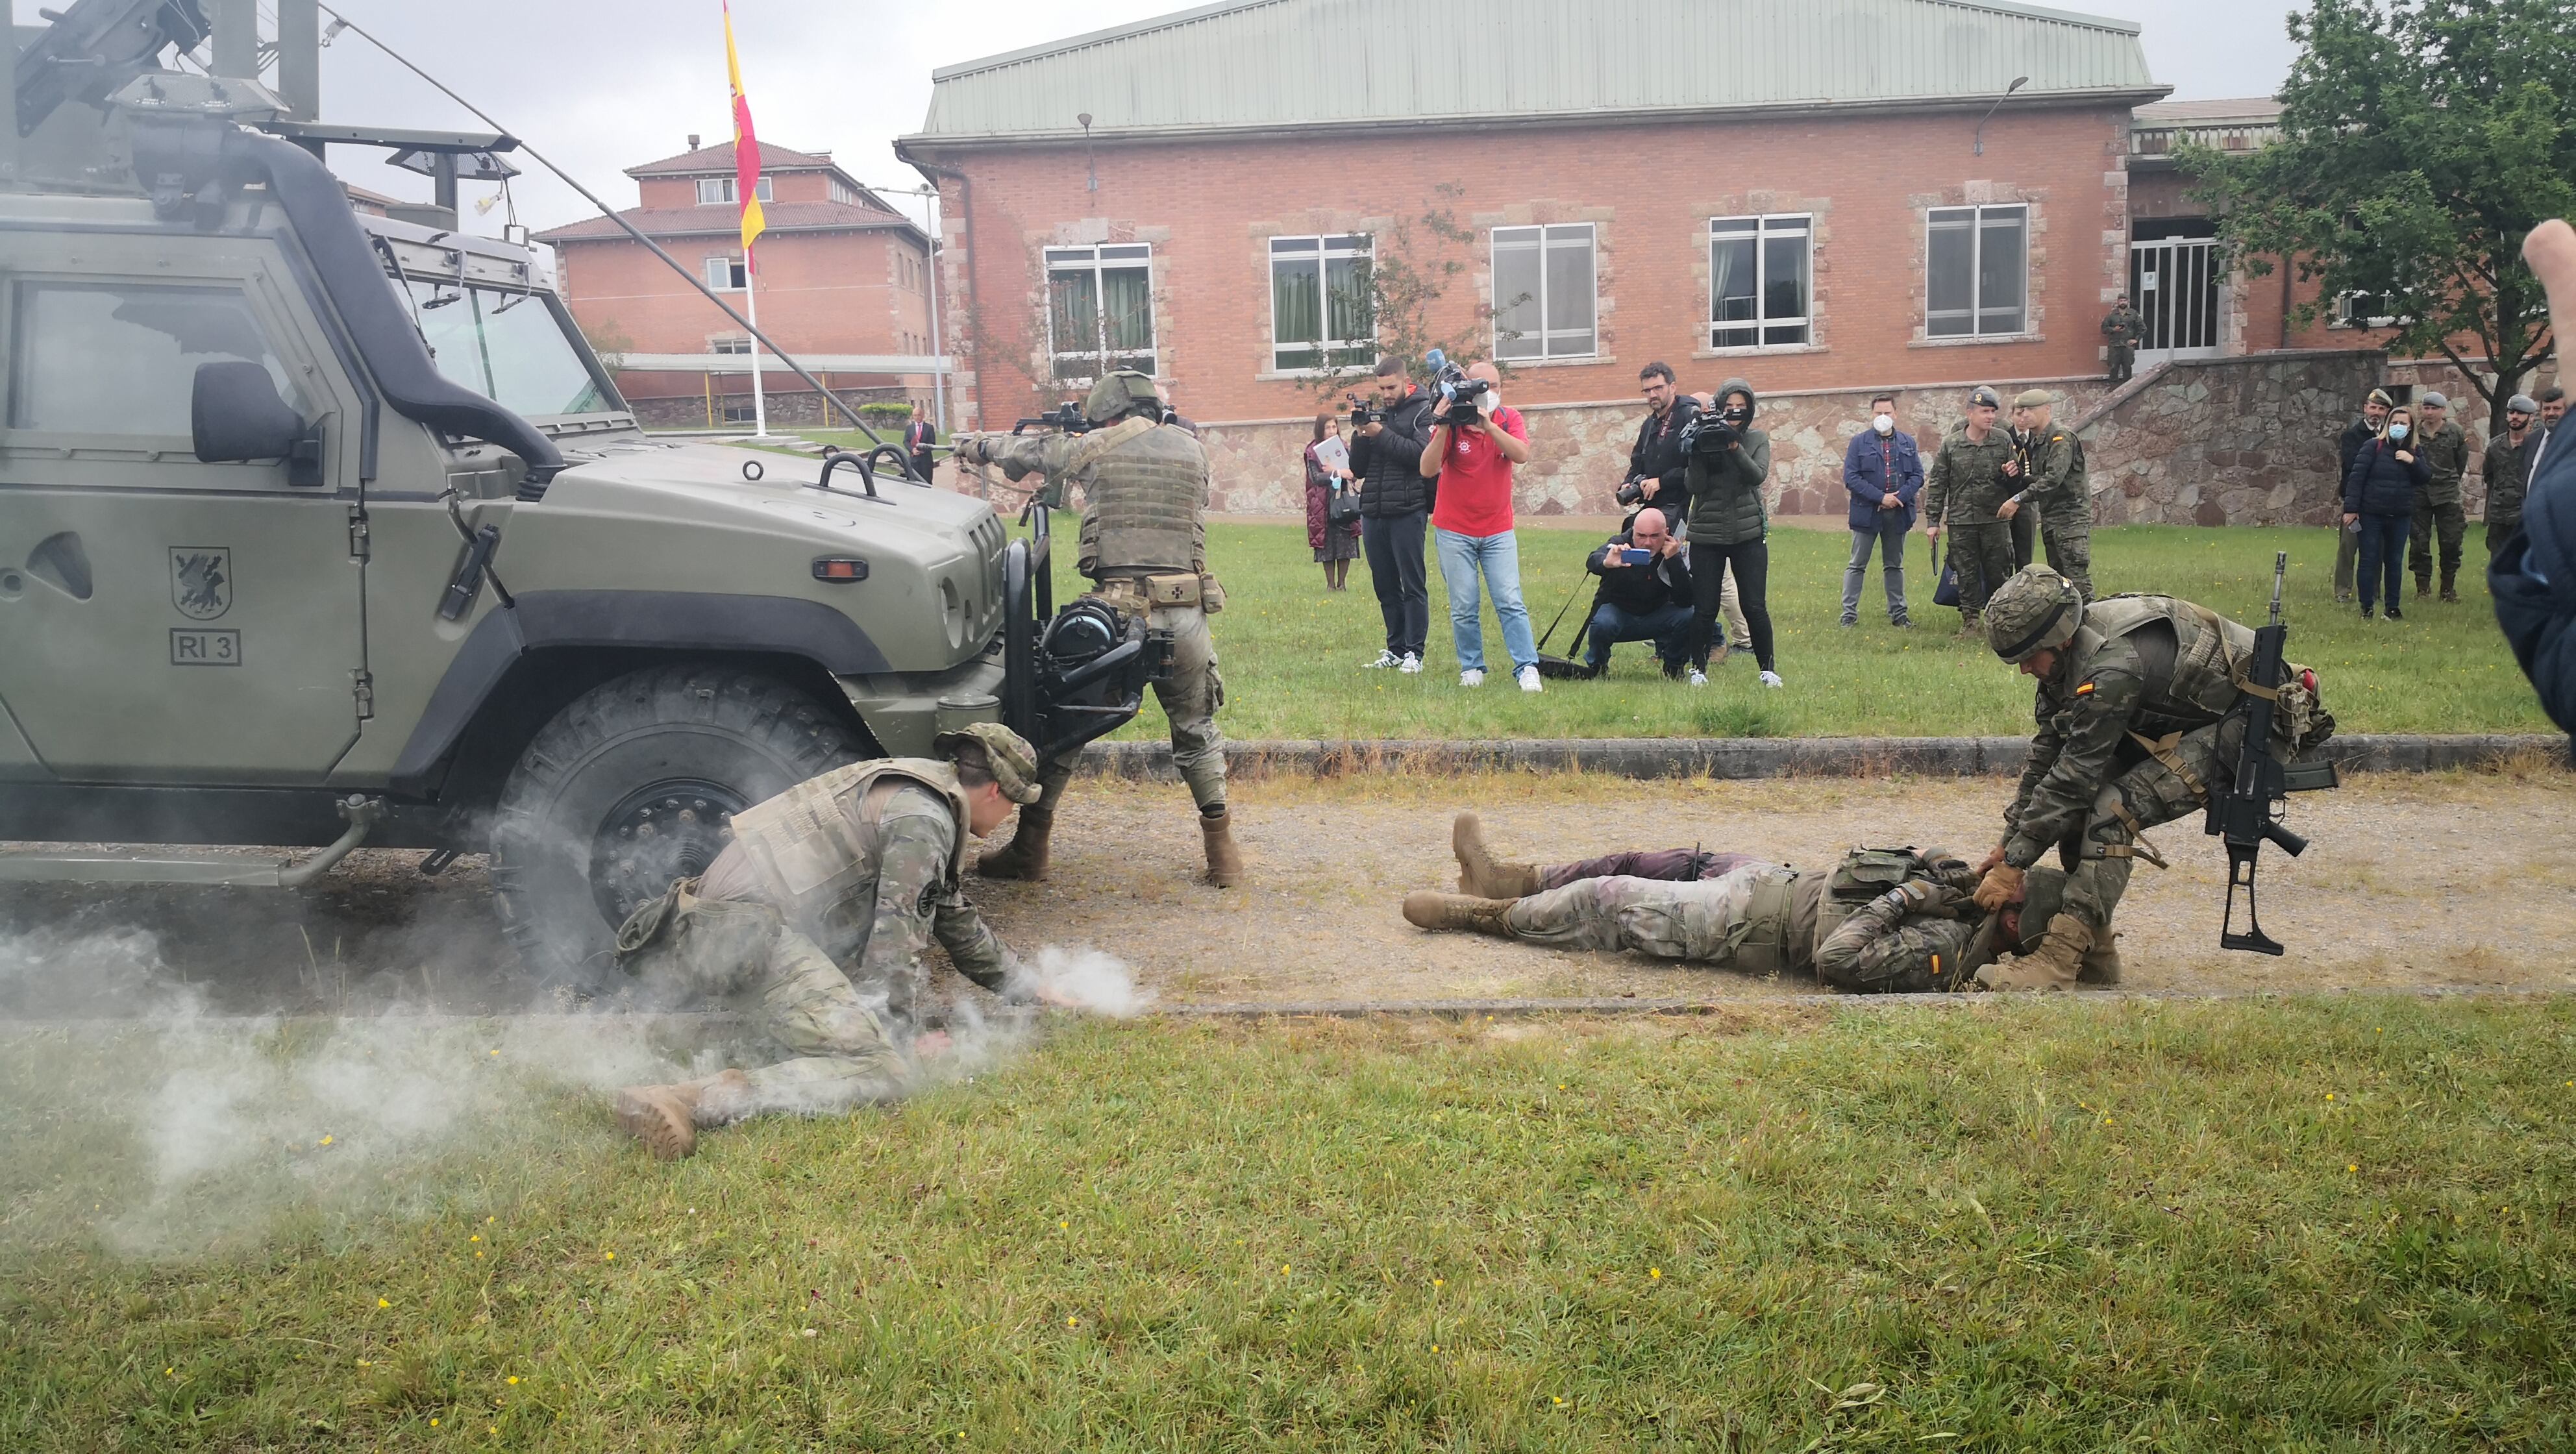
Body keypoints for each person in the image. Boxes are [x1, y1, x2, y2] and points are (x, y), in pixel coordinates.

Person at [608, 724, 1052, 1159]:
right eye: (1015, 804)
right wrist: (896, 1039)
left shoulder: (915, 789)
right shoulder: (924, 819)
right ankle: (685, 1100)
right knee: (883, 1071)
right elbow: (896, 946)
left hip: (715, 927)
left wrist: (1031, 986)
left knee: (849, 1039)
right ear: (996, 792)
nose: (1011, 816)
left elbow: (948, 913)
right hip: (739, 936)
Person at [1968, 567, 2328, 991]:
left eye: (2029, 656)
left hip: (2255, 726)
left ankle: (2058, 963)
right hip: (2201, 719)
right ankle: (2095, 960)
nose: (2026, 669)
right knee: (2081, 809)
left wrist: (2014, 865)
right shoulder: (2067, 661)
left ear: (2061, 637)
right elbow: (2050, 752)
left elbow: (2074, 776)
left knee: (2112, 811)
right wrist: (2007, 843)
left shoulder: (2112, 668)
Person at [951, 370, 1244, 887]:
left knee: (1067, 726)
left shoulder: (1097, 446)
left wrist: (976, 447)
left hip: (1119, 618)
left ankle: (1030, 851)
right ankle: (1225, 859)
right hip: (1187, 611)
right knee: (1198, 732)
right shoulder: (1192, 449)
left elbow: (1030, 454)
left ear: (1108, 412)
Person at [1407, 813, 2064, 994]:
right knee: (1643, 861)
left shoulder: (1946, 951)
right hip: (1765, 880)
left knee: (1606, 900)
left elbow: (1837, 958)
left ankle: (1476, 916)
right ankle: (1507, 878)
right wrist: (1950, 870)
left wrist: (1908, 893)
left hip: (1744, 923)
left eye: (2017, 892)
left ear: (2013, 922)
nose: (2011, 881)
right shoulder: (1967, 905)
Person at [2492, 219, 2576, 745]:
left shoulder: (2547, 443)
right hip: (2510, 517)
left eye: (2549, 407)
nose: (2541, 414)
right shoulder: (2504, 446)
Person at [1420, 360, 1540, 691]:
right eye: (1480, 387)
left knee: (1510, 599)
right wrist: (1443, 424)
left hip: (1498, 529)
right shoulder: (1453, 422)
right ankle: (1472, 666)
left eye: (1495, 386)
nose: (1489, 393)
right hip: (1455, 529)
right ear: (1465, 389)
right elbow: (1427, 469)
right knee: (1463, 604)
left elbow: (1522, 455)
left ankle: (1527, 666)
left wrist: (1489, 426)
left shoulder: (1508, 418)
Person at [1679, 377, 1782, 687]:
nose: (1735, 412)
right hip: (1706, 535)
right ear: (1719, 408)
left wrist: (1734, 447)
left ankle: (1768, 670)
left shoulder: (1757, 439)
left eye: (1741, 407)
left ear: (1750, 409)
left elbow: (1756, 476)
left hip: (1747, 532)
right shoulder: (1700, 436)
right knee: (1705, 607)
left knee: (1754, 606)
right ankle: (1698, 670)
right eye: (1729, 407)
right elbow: (1693, 487)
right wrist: (1697, 451)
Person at [1350, 356, 1438, 673]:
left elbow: (1420, 457)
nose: (1386, 394)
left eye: (1391, 387)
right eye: (1382, 388)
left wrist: (1380, 434)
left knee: (1412, 584)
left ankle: (1415, 652)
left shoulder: (1424, 410)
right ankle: (1395, 649)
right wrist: (1361, 435)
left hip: (1408, 509)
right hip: (1373, 509)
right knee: (1385, 585)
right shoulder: (1377, 413)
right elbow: (1358, 469)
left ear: (1405, 381)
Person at [1920, 385, 2020, 634]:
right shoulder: (1952, 445)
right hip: (1961, 521)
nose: (1990, 417)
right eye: (1985, 411)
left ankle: (2000, 621)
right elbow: (1938, 483)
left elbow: (2016, 483)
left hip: (1994, 519)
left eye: (1993, 412)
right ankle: (1971, 621)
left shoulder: (2002, 440)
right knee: (1966, 572)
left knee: (1999, 571)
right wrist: (1933, 522)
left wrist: (2012, 474)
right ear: (1970, 413)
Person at [1999, 389, 2094, 601]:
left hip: (2070, 519)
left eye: (2031, 410)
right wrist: (2017, 474)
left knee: (2077, 580)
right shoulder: (2037, 441)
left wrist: (2018, 499)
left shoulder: (2060, 437)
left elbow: (2053, 480)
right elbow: (2037, 478)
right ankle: (2069, 631)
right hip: (2052, 518)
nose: (2025, 415)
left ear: (2047, 409)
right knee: (2061, 582)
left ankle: (2091, 629)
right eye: (2022, 411)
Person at [1581, 505, 1694, 677]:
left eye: (1655, 536)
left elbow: (1686, 599)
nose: (1648, 543)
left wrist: (1674, 561)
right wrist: (1607, 562)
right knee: (1603, 622)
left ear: (1667, 533)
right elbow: (1593, 559)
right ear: (1633, 532)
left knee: (1690, 614)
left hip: (1657, 614)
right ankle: (1597, 666)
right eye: (1641, 536)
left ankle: (1674, 666)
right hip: (1618, 613)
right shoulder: (1620, 544)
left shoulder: (1674, 551)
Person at [1840, 391, 1920, 628]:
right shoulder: (1859, 443)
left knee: (1894, 565)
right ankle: (1848, 615)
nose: (1883, 417)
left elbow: (1917, 476)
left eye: (1887, 412)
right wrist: (1880, 498)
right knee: (1857, 564)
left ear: (1895, 414)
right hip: (1867, 512)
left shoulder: (1908, 443)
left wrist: (1899, 498)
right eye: (1878, 413)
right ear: (1871, 415)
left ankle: (1899, 614)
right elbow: (1851, 478)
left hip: (1898, 513)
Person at [2344, 404, 2429, 621]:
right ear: (2388, 425)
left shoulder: (2415, 451)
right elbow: (2357, 478)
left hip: (2400, 515)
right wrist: (2351, 510)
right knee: (2369, 560)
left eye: (2403, 423)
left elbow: (2425, 477)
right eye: (2394, 423)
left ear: (2410, 428)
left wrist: (2413, 462)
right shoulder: (2373, 447)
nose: (2398, 427)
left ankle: (2393, 607)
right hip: (2372, 513)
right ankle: (2367, 607)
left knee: (2394, 561)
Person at [2410, 391, 2471, 602]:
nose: (2429, 412)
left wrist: (2449, 481)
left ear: (2443, 410)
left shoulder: (2455, 432)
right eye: (2426, 408)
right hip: (2420, 493)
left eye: (2434, 408)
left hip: (2447, 495)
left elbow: (2460, 462)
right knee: (2419, 542)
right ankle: (2423, 589)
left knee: (2451, 542)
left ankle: (2448, 589)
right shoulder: (2414, 432)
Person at [2334, 388, 2394, 602]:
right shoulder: (2352, 436)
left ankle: (2374, 591)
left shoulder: (2391, 437)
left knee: (2376, 550)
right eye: (2373, 407)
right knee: (2347, 549)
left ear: (2387, 412)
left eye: (2381, 408)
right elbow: (2353, 464)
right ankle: (2343, 591)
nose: (2376, 412)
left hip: (2380, 503)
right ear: (2365, 409)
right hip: (2356, 501)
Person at [1627, 362, 1698, 512]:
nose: (1652, 395)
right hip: (1652, 506)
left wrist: (1661, 482)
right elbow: (1638, 460)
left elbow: (1698, 467)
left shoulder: (1689, 417)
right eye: (1647, 390)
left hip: (1681, 506)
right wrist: (1628, 484)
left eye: (1658, 388)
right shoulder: (1649, 424)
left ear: (1672, 387)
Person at [1304, 411, 1361, 591]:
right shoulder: (1312, 452)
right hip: (1322, 503)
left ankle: (1342, 583)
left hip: (1344, 498)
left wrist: (1342, 471)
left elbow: (1353, 473)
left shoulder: (1343, 447)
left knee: (1345, 541)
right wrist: (1336, 473)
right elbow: (1316, 477)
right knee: (1327, 543)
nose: (1331, 430)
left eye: (1334, 427)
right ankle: (1330, 584)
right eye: (1327, 427)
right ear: (1320, 429)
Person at [2484, 394, 2538, 560]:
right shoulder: (2494, 446)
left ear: (2531, 417)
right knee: (2499, 564)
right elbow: (2489, 477)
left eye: (2520, 413)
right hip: (2499, 516)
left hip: (2527, 516)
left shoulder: (2538, 445)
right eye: (2512, 412)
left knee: (2527, 564)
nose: (2515, 417)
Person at [2101, 293, 2144, 384]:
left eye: (2125, 301)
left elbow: (2143, 329)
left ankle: (2127, 390)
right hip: (2114, 346)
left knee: (2127, 368)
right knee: (2114, 368)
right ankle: (2113, 390)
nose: (2123, 302)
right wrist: (2114, 329)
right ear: (2118, 302)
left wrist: (2136, 339)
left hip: (2128, 346)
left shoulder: (2133, 314)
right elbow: (2104, 329)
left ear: (2128, 302)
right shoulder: (2111, 315)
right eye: (2121, 301)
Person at [902, 402, 937, 482]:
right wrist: (912, 450)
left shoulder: (929, 428)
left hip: (926, 461)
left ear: (923, 416)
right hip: (914, 461)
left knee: (927, 481)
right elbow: (906, 441)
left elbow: (932, 443)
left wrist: (922, 450)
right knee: (915, 481)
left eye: (919, 415)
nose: (917, 417)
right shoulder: (909, 428)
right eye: (915, 415)